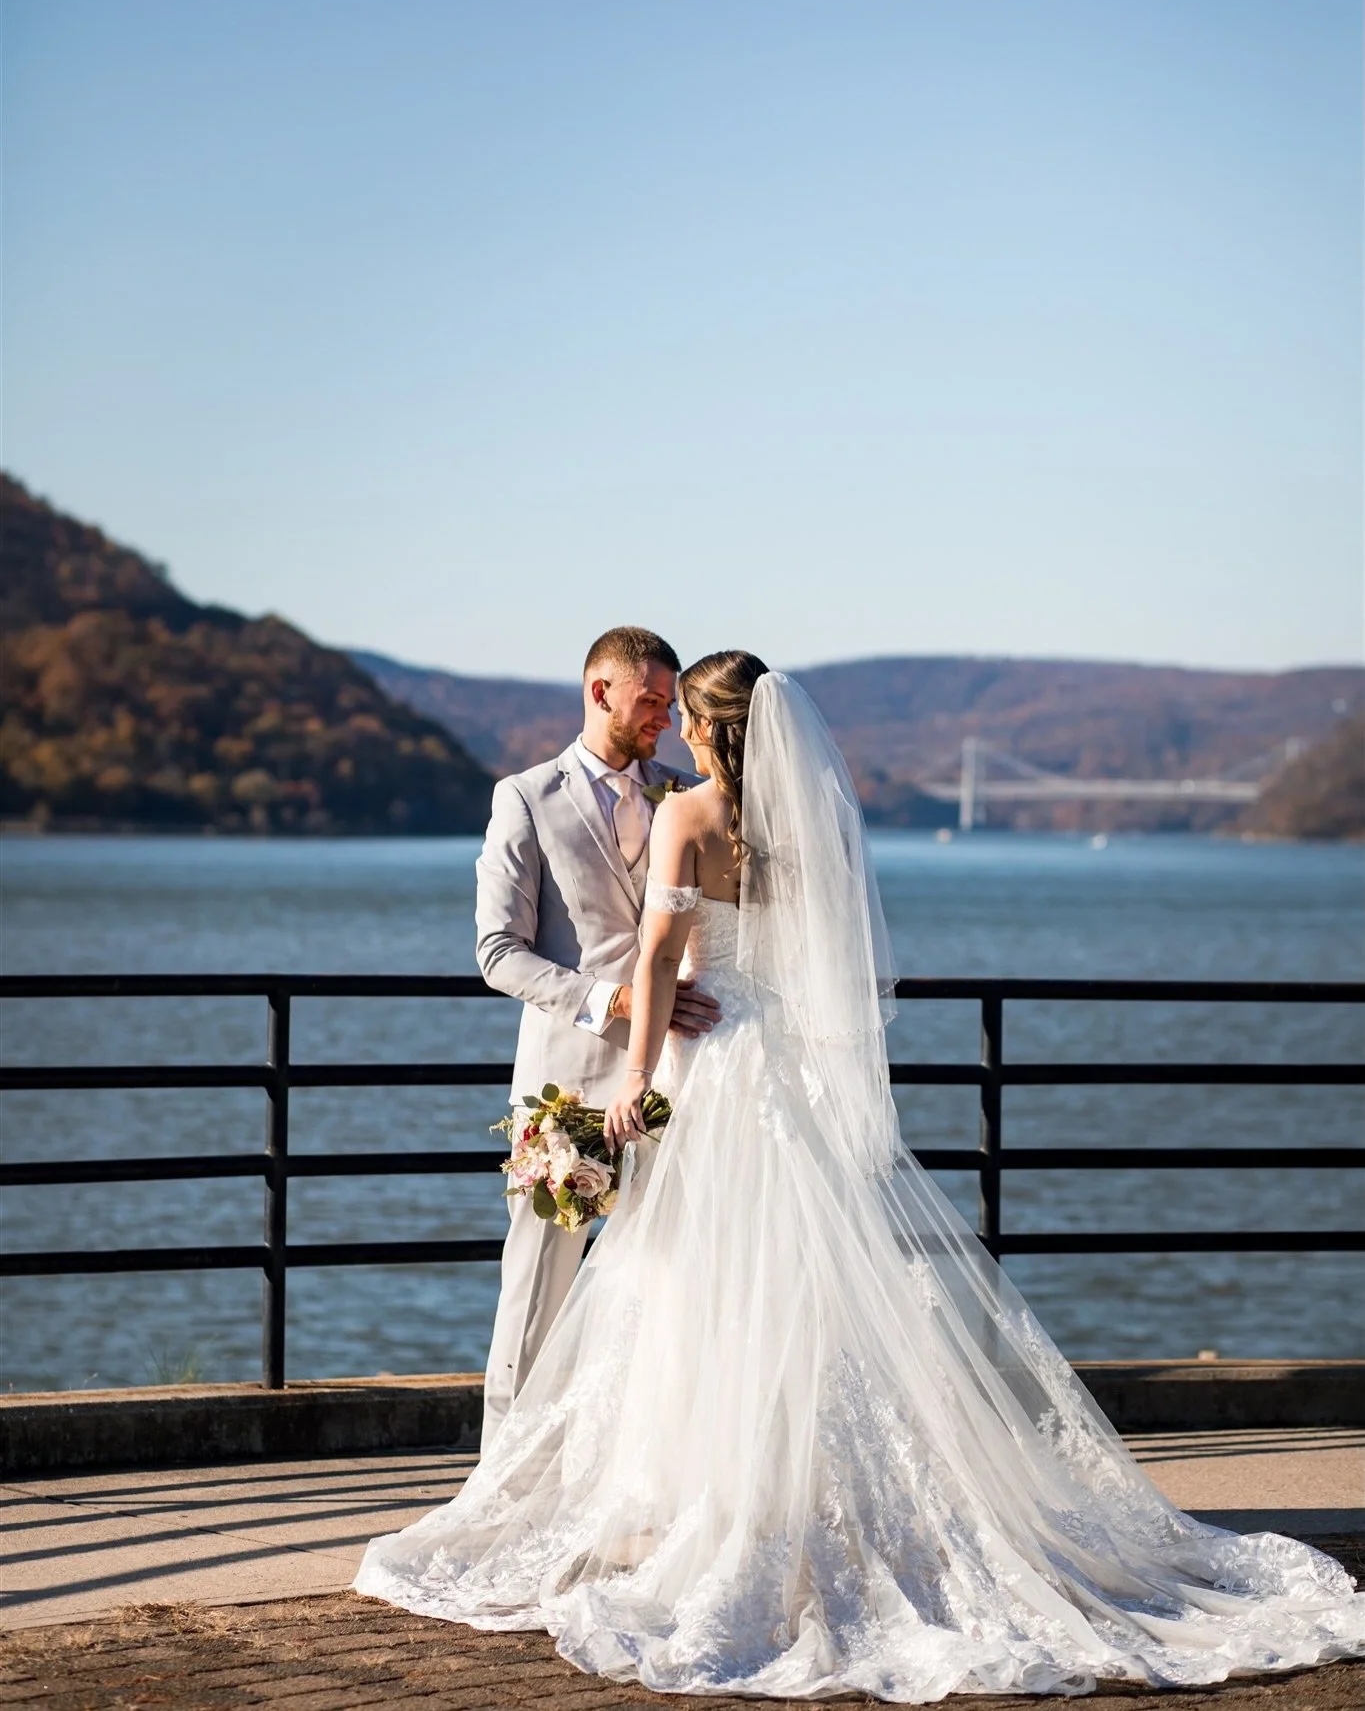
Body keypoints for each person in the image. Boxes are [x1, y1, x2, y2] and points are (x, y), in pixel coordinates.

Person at [358, 656, 1365, 1700]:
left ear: (704, 730)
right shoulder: (817, 824)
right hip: (786, 1068)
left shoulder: (686, 815)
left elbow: (659, 956)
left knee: (688, 1279)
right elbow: (826, 960)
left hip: (712, 1070)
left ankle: (705, 1495)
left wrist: (642, 1077)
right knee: (800, 1283)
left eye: (681, 714)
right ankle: (781, 1490)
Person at [471, 625, 718, 1451]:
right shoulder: (526, 797)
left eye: (670, 702)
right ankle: (500, 1479)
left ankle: (628, 1473)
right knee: (538, 1286)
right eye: (649, 699)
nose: (662, 716)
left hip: (679, 1080)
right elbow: (497, 953)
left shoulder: (687, 794)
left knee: (664, 1287)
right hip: (567, 1087)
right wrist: (613, 1000)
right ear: (598, 690)